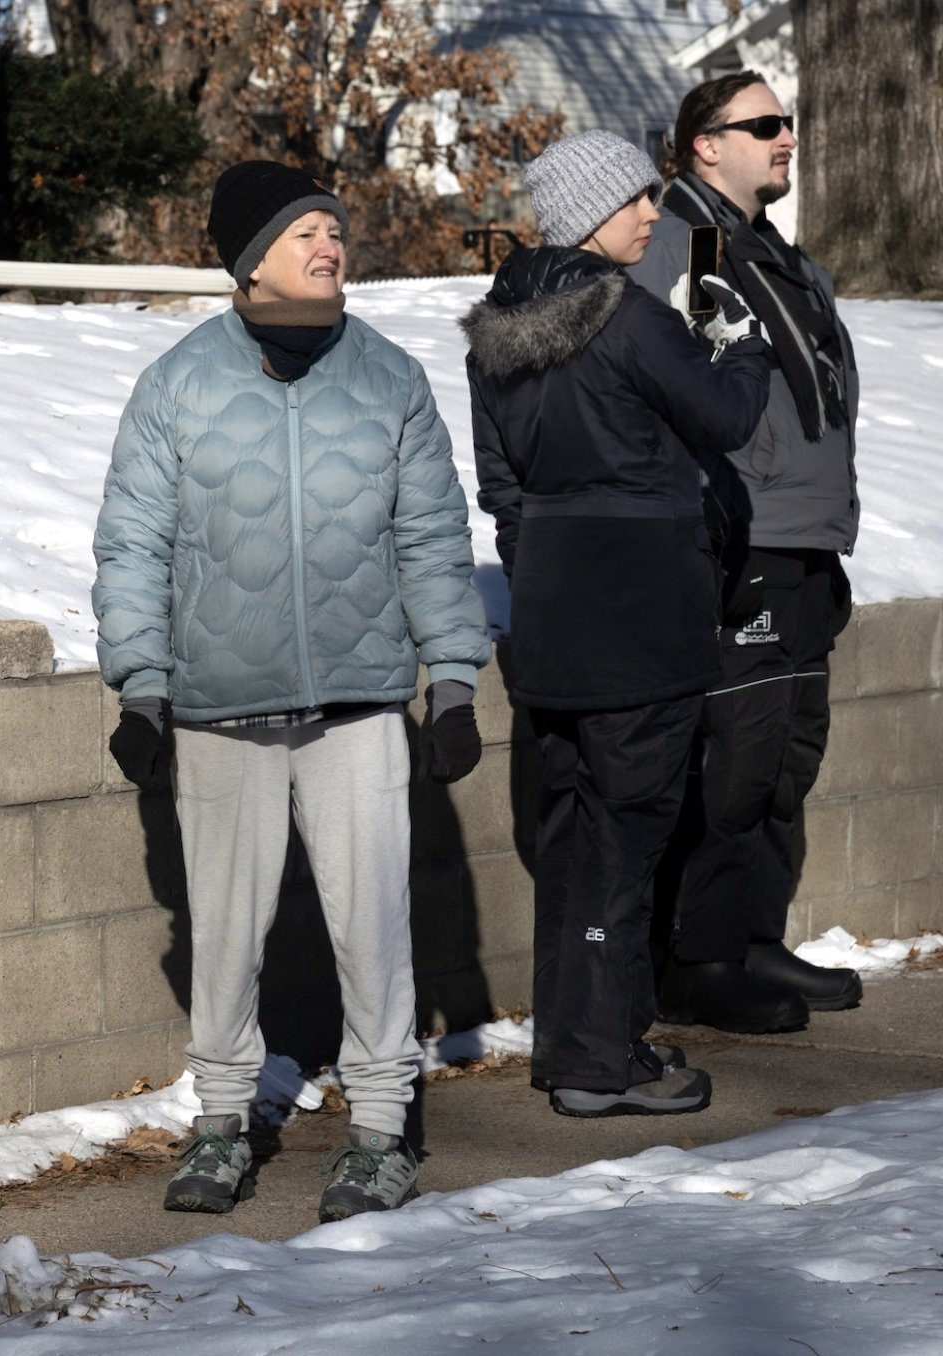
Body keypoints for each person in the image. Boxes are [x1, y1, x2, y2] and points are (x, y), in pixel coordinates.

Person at [94, 162, 489, 1221]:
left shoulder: (388, 380)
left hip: (358, 708)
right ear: (247, 256)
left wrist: (450, 679)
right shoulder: (177, 385)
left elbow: (431, 539)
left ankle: (375, 1131)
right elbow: (130, 545)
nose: (329, 243)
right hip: (220, 711)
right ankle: (220, 1121)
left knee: (374, 930)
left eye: (334, 227)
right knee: (221, 935)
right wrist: (140, 688)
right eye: (305, 228)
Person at [462, 129, 770, 1117]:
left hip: (551, 614)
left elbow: (501, 489)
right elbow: (721, 418)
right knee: (625, 833)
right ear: (587, 212)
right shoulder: (627, 317)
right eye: (634, 198)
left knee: (568, 833)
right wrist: (740, 348)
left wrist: (545, 565)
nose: (651, 213)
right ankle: (600, 1062)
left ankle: (573, 1047)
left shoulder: (497, 326)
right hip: (640, 611)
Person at [625, 73, 864, 1034]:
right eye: (764, 124)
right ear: (702, 145)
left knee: (787, 755)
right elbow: (664, 386)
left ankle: (754, 935)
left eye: (788, 121)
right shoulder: (685, 245)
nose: (787, 137)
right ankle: (701, 958)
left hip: (806, 537)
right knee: (738, 757)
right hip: (741, 533)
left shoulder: (770, 250)